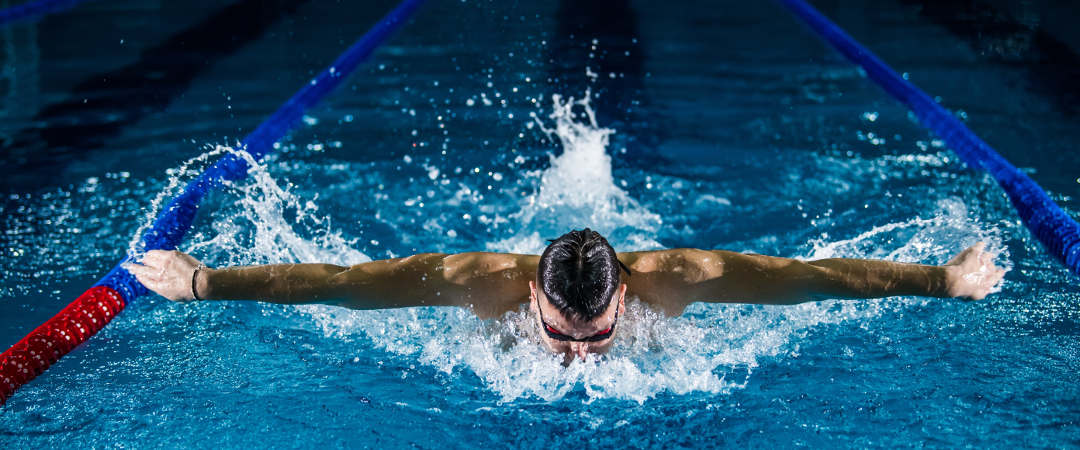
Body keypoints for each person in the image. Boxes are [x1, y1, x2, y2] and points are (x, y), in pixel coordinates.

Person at [127, 228, 1005, 361]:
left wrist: (943, 281)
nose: (576, 356)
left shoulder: (683, 278)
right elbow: (343, 287)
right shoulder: (477, 287)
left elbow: (815, 280)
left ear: (626, 290)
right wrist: (203, 282)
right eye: (560, 333)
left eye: (593, 337)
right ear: (533, 298)